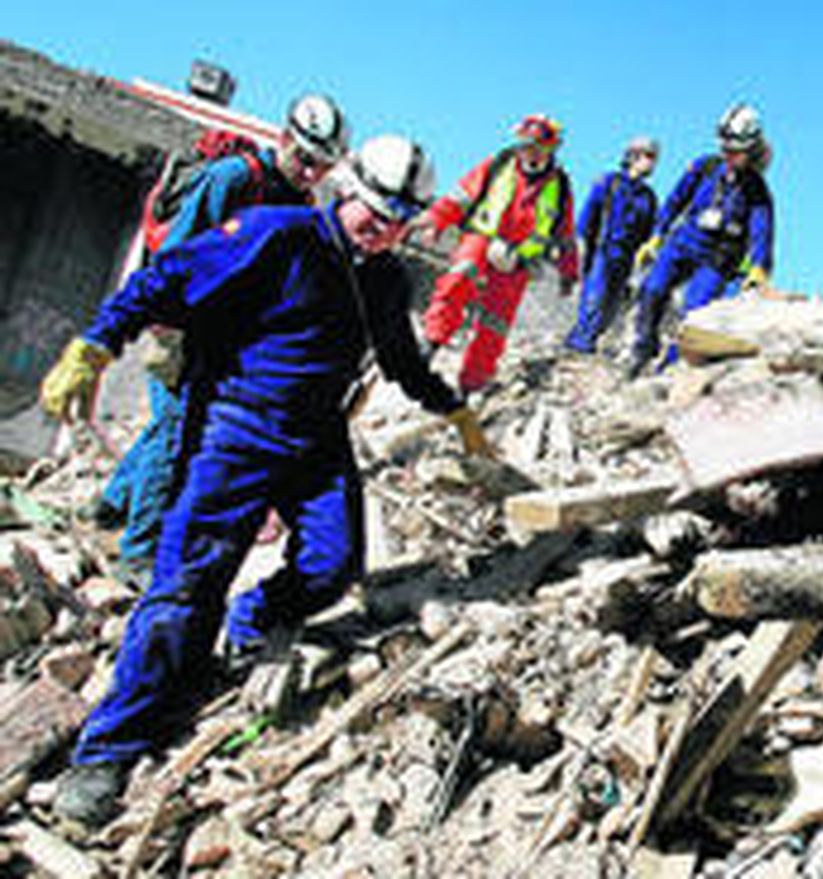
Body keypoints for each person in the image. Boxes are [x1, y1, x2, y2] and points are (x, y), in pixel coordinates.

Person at [40, 135, 489, 828]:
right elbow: (164, 279)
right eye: (376, 210)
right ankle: (107, 751)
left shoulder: (384, 277)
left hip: (317, 434)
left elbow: (398, 358)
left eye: (400, 218)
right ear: (348, 191)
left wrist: (451, 406)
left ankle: (245, 623)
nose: (384, 227)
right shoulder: (275, 233)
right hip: (238, 422)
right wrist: (94, 345)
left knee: (332, 562)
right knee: (187, 581)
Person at [92, 94, 350, 590]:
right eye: (306, 158)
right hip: (179, 325)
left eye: (322, 165)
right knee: (174, 435)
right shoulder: (234, 178)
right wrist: (164, 319)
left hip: (226, 335)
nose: (311, 172)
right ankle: (138, 552)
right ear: (284, 138)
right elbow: (177, 250)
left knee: (173, 424)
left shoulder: (301, 204)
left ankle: (110, 505)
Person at [420, 114, 579, 392]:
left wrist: (569, 272)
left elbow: (564, 236)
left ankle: (473, 382)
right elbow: (461, 196)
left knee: (497, 321)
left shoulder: (560, 187)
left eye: (535, 146)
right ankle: (431, 342)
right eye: (524, 144)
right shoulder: (499, 165)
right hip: (482, 238)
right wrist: (437, 219)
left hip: (519, 259)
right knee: (458, 279)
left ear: (550, 148)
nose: (528, 151)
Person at [628, 103, 774, 377]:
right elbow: (675, 200)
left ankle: (671, 367)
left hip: (718, 256)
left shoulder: (756, 190)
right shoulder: (704, 167)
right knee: (653, 289)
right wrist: (657, 236)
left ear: (750, 150)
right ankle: (644, 347)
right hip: (684, 241)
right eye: (725, 149)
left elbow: (762, 230)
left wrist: (759, 267)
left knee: (694, 312)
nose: (728, 155)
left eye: (735, 152)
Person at [563, 136, 660, 354]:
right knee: (593, 300)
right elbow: (588, 216)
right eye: (649, 157)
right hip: (602, 251)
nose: (653, 164)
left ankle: (581, 341)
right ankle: (580, 345)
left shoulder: (648, 197)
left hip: (626, 258)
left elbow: (649, 232)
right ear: (633, 156)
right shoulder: (609, 183)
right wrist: (580, 245)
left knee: (611, 306)